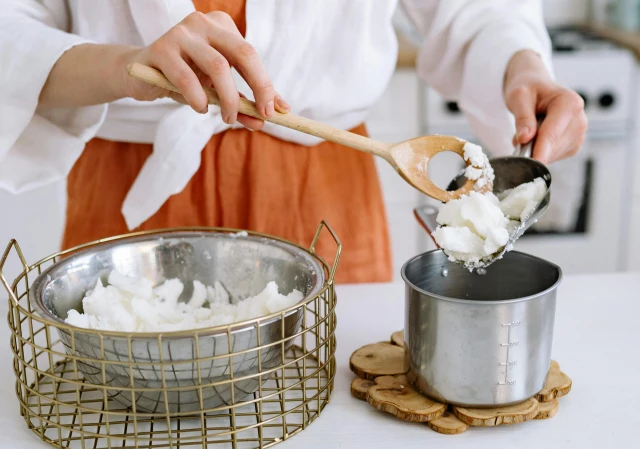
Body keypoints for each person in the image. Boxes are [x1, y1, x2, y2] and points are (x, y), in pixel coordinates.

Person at [0, 0, 587, 284]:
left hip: (322, 197)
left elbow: (473, 9)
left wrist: (522, 65)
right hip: (135, 200)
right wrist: (127, 65)